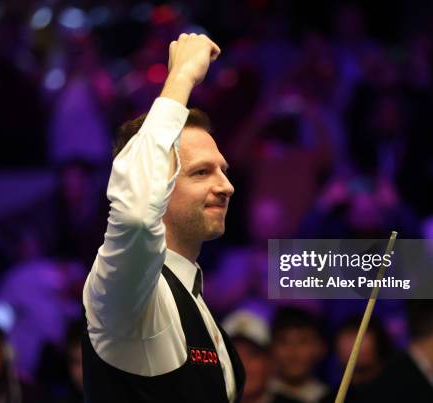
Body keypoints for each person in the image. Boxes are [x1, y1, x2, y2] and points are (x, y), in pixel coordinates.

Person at [82, 33, 245, 403]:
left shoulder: (193, 294)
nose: (227, 186)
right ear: (159, 184)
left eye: (223, 170)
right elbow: (138, 214)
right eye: (202, 173)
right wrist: (181, 77)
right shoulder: (125, 289)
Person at [269, 307, 329, 403]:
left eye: (302, 341)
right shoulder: (258, 396)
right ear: (271, 348)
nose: (293, 352)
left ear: (320, 348)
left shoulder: (332, 397)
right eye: (284, 342)